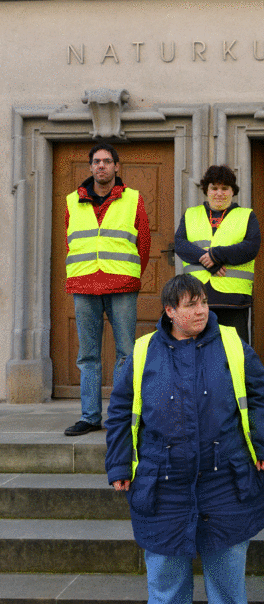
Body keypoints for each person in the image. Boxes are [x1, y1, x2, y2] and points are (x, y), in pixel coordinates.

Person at [105, 274, 264, 604]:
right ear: (170, 311)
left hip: (224, 471)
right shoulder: (144, 350)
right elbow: (119, 411)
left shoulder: (232, 344)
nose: (201, 310)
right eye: (190, 304)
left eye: (203, 302)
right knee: (165, 559)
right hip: (162, 474)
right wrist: (119, 462)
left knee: (227, 554)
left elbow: (262, 396)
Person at [64, 143, 151, 436]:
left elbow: (145, 244)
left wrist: (133, 273)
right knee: (88, 355)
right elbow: (71, 241)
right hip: (84, 283)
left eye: (107, 161)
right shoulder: (71, 201)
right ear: (90, 167)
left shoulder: (133, 199)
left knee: (126, 352)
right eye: (96, 161)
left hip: (122, 283)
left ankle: (121, 415)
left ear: (116, 167)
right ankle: (89, 417)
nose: (101, 166)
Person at [174, 164, 260, 344]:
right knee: (199, 349)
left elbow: (250, 247)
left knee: (234, 351)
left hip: (233, 298)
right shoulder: (191, 214)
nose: (219, 193)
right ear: (206, 190)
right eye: (214, 188)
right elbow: (180, 244)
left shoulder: (246, 215)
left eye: (224, 188)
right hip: (196, 297)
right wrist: (210, 262)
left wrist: (216, 254)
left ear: (232, 191)